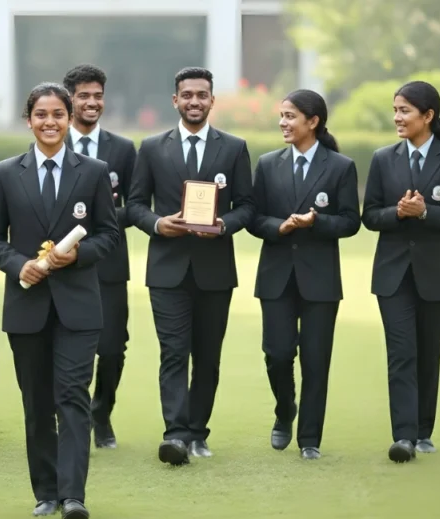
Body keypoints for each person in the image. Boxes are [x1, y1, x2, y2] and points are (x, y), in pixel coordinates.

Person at [0, 82, 119, 519]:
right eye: (41, 114)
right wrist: (20, 265)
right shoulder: (5, 173)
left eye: (58, 114)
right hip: (27, 307)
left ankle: (73, 495)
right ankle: (45, 491)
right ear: (29, 120)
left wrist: (79, 253)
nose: (50, 122)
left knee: (73, 397)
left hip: (79, 307)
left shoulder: (93, 171)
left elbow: (109, 235)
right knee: (37, 402)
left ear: (69, 117)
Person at [125, 67, 255, 466]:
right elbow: (133, 205)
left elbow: (247, 206)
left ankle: (199, 432)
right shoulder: (151, 147)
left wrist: (223, 225)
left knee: (208, 356)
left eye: (202, 95)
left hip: (215, 270)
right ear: (175, 100)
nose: (194, 101)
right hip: (167, 269)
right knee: (173, 353)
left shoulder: (233, 147)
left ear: (212, 100)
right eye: (187, 95)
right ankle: (176, 435)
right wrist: (158, 224)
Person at [360, 80, 440, 463]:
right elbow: (369, 216)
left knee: (429, 353)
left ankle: (424, 430)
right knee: (401, 353)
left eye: (404, 110)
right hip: (392, 276)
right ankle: (404, 437)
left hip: (435, 275)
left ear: (428, 116)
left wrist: (425, 213)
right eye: (395, 109)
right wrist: (397, 212)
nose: (397, 117)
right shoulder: (382, 159)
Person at [246, 89, 360, 460]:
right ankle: (284, 411)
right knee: (277, 355)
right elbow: (253, 217)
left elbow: (350, 222)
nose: (283, 123)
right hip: (276, 277)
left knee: (315, 359)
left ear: (313, 122)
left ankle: (309, 438)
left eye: (290, 116)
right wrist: (278, 227)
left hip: (320, 281)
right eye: (281, 116)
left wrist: (316, 222)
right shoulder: (266, 164)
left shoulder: (341, 167)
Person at [62, 64, 137, 449]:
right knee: (66, 346)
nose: (92, 103)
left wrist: (99, 218)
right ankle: (68, 415)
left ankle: (101, 411)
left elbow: (136, 205)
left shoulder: (122, 150)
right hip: (61, 263)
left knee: (111, 347)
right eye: (84, 96)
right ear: (69, 99)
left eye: (98, 96)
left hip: (108, 262)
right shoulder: (53, 142)